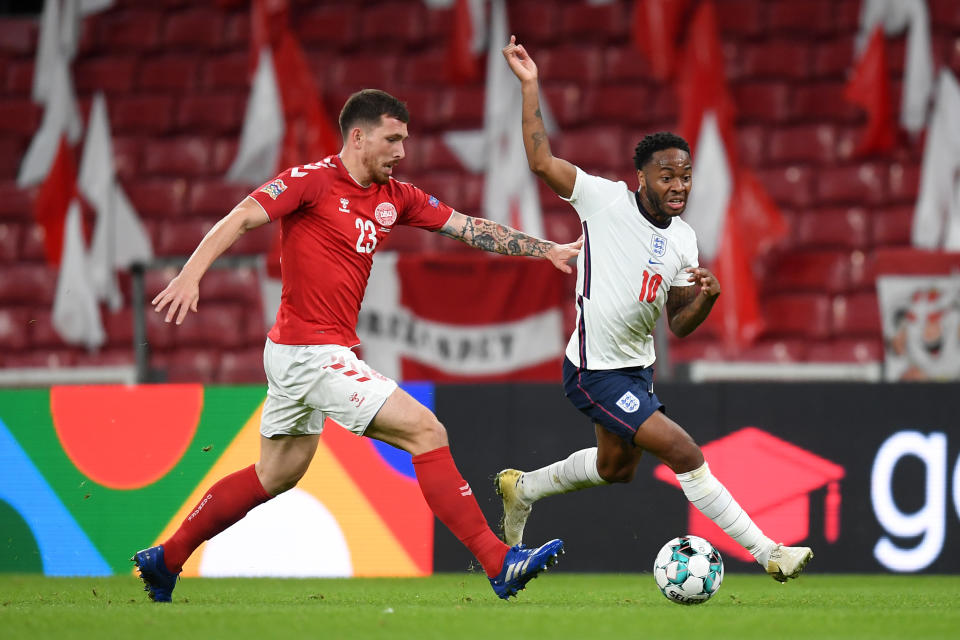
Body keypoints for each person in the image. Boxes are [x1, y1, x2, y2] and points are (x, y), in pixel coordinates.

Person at [133, 89, 578, 602]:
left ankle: (165, 560)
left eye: (405, 140)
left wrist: (544, 249)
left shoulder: (397, 197)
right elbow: (240, 216)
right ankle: (498, 561)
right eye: (393, 139)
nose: (401, 151)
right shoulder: (311, 181)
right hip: (310, 351)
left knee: (274, 475)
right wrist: (190, 275)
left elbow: (468, 228)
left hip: (298, 352)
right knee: (426, 431)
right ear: (358, 136)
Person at [494, 37, 813, 583]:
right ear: (641, 177)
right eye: (667, 176)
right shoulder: (605, 200)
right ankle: (769, 553)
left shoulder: (686, 241)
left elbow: (678, 325)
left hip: (636, 368)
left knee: (615, 469)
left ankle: (522, 488)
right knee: (685, 451)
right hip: (593, 369)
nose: (678, 186)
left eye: (685, 176)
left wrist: (706, 299)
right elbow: (541, 161)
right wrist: (530, 86)